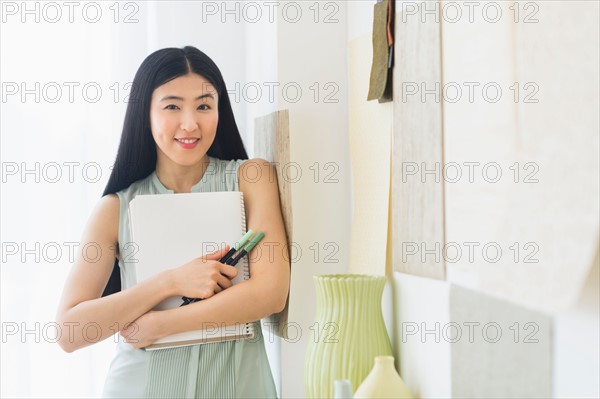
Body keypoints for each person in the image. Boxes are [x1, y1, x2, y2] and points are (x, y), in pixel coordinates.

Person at [55, 46, 290, 398]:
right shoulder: (115, 209)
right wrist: (170, 281)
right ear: (145, 114)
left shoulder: (252, 177)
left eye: (204, 105)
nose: (190, 123)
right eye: (172, 106)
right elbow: (70, 333)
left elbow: (270, 293)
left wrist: (162, 324)